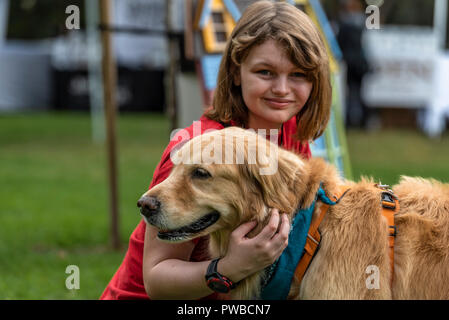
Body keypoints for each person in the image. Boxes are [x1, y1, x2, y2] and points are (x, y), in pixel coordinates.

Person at [100, 0, 332, 300]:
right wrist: (230, 267)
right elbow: (156, 279)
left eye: (298, 75)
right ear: (236, 72)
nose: (282, 89)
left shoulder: (291, 134)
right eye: (265, 72)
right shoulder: (198, 150)